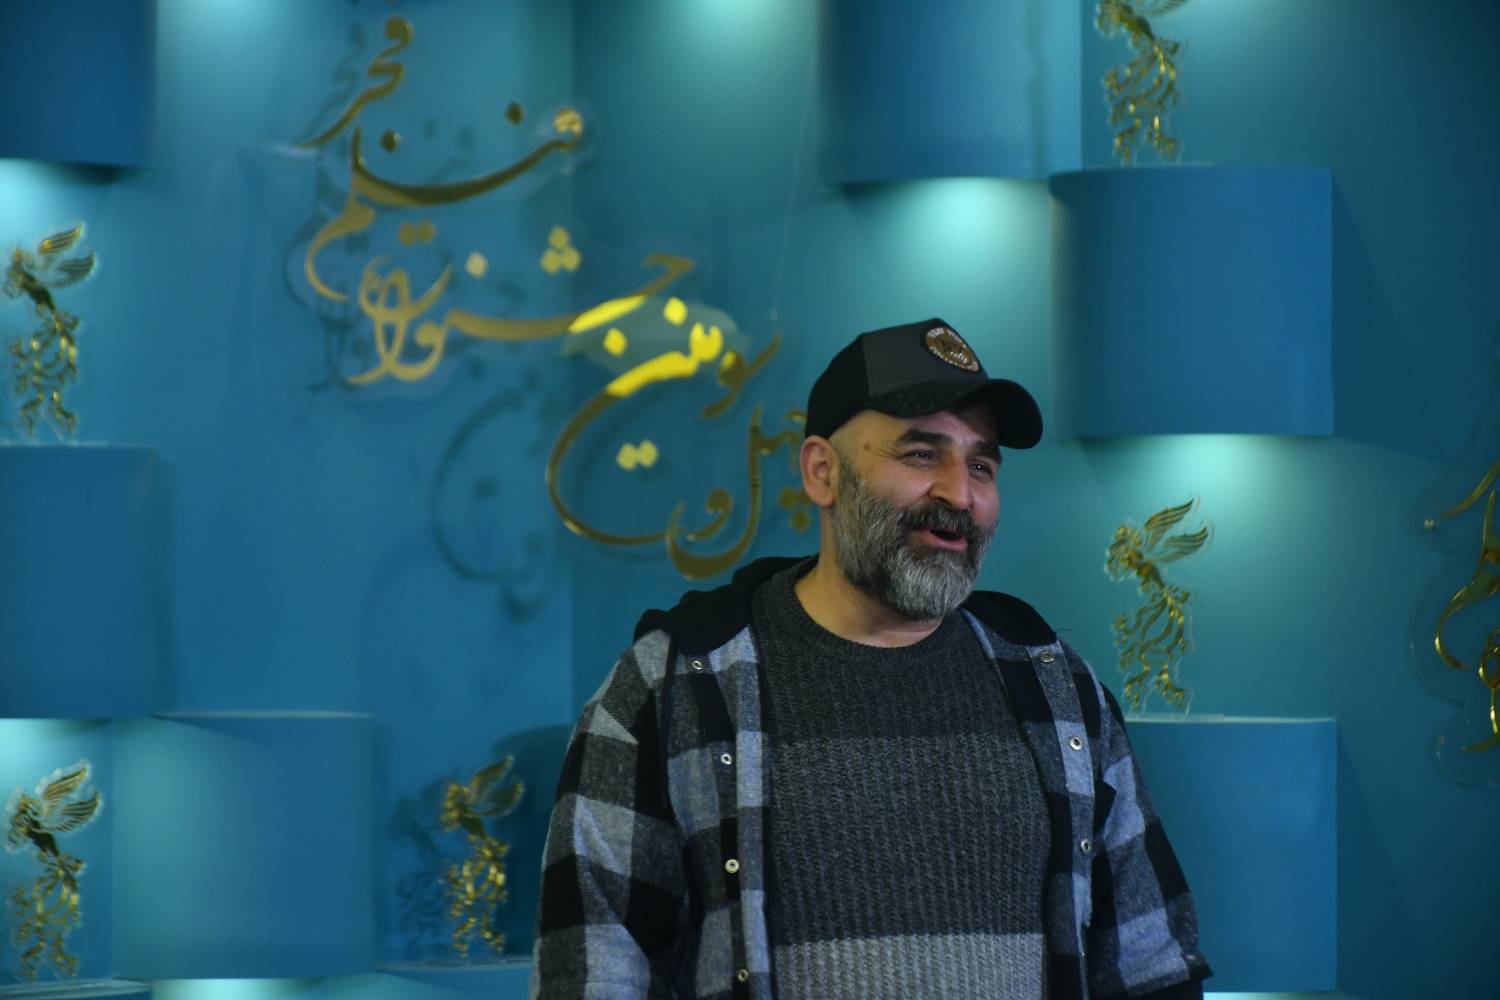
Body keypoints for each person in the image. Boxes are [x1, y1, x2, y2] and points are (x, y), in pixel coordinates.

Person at [531, 319, 1212, 1000]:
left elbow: (1152, 970)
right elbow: (589, 972)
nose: (959, 494)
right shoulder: (674, 686)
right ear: (822, 472)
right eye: (921, 454)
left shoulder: (1055, 683)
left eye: (981, 465)